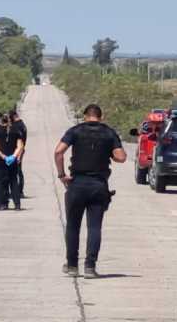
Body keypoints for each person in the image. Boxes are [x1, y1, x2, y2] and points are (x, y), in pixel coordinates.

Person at [54, 104, 126, 279]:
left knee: (72, 226)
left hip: (77, 183)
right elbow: (121, 157)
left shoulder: (75, 131)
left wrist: (62, 174)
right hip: (98, 185)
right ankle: (90, 267)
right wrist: (108, 152)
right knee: (94, 227)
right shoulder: (109, 133)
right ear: (101, 116)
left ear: (85, 115)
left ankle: (72, 266)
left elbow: (58, 151)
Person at [10, 110, 28, 197]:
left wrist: (19, 154)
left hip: (18, 150)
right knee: (18, 171)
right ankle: (19, 191)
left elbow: (20, 141)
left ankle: (19, 191)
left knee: (17, 171)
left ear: (13, 117)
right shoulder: (22, 125)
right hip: (20, 149)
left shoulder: (17, 126)